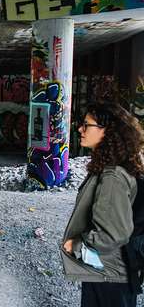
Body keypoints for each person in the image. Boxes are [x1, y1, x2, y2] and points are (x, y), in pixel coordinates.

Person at [61, 102, 144, 307]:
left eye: (87, 125)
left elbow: (115, 234)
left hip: (110, 274)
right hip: (107, 271)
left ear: (108, 132)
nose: (80, 129)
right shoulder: (110, 167)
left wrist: (76, 245)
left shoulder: (113, 175)